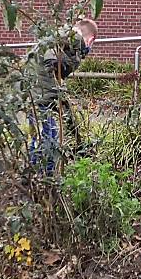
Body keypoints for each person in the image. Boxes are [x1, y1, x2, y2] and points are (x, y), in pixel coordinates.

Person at [31, 18, 98, 172]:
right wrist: (55, 62)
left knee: (39, 135)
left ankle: (34, 174)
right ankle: (44, 179)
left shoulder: (67, 40)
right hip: (41, 92)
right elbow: (51, 58)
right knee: (49, 136)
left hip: (37, 90)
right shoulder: (69, 36)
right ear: (91, 39)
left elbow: (62, 71)